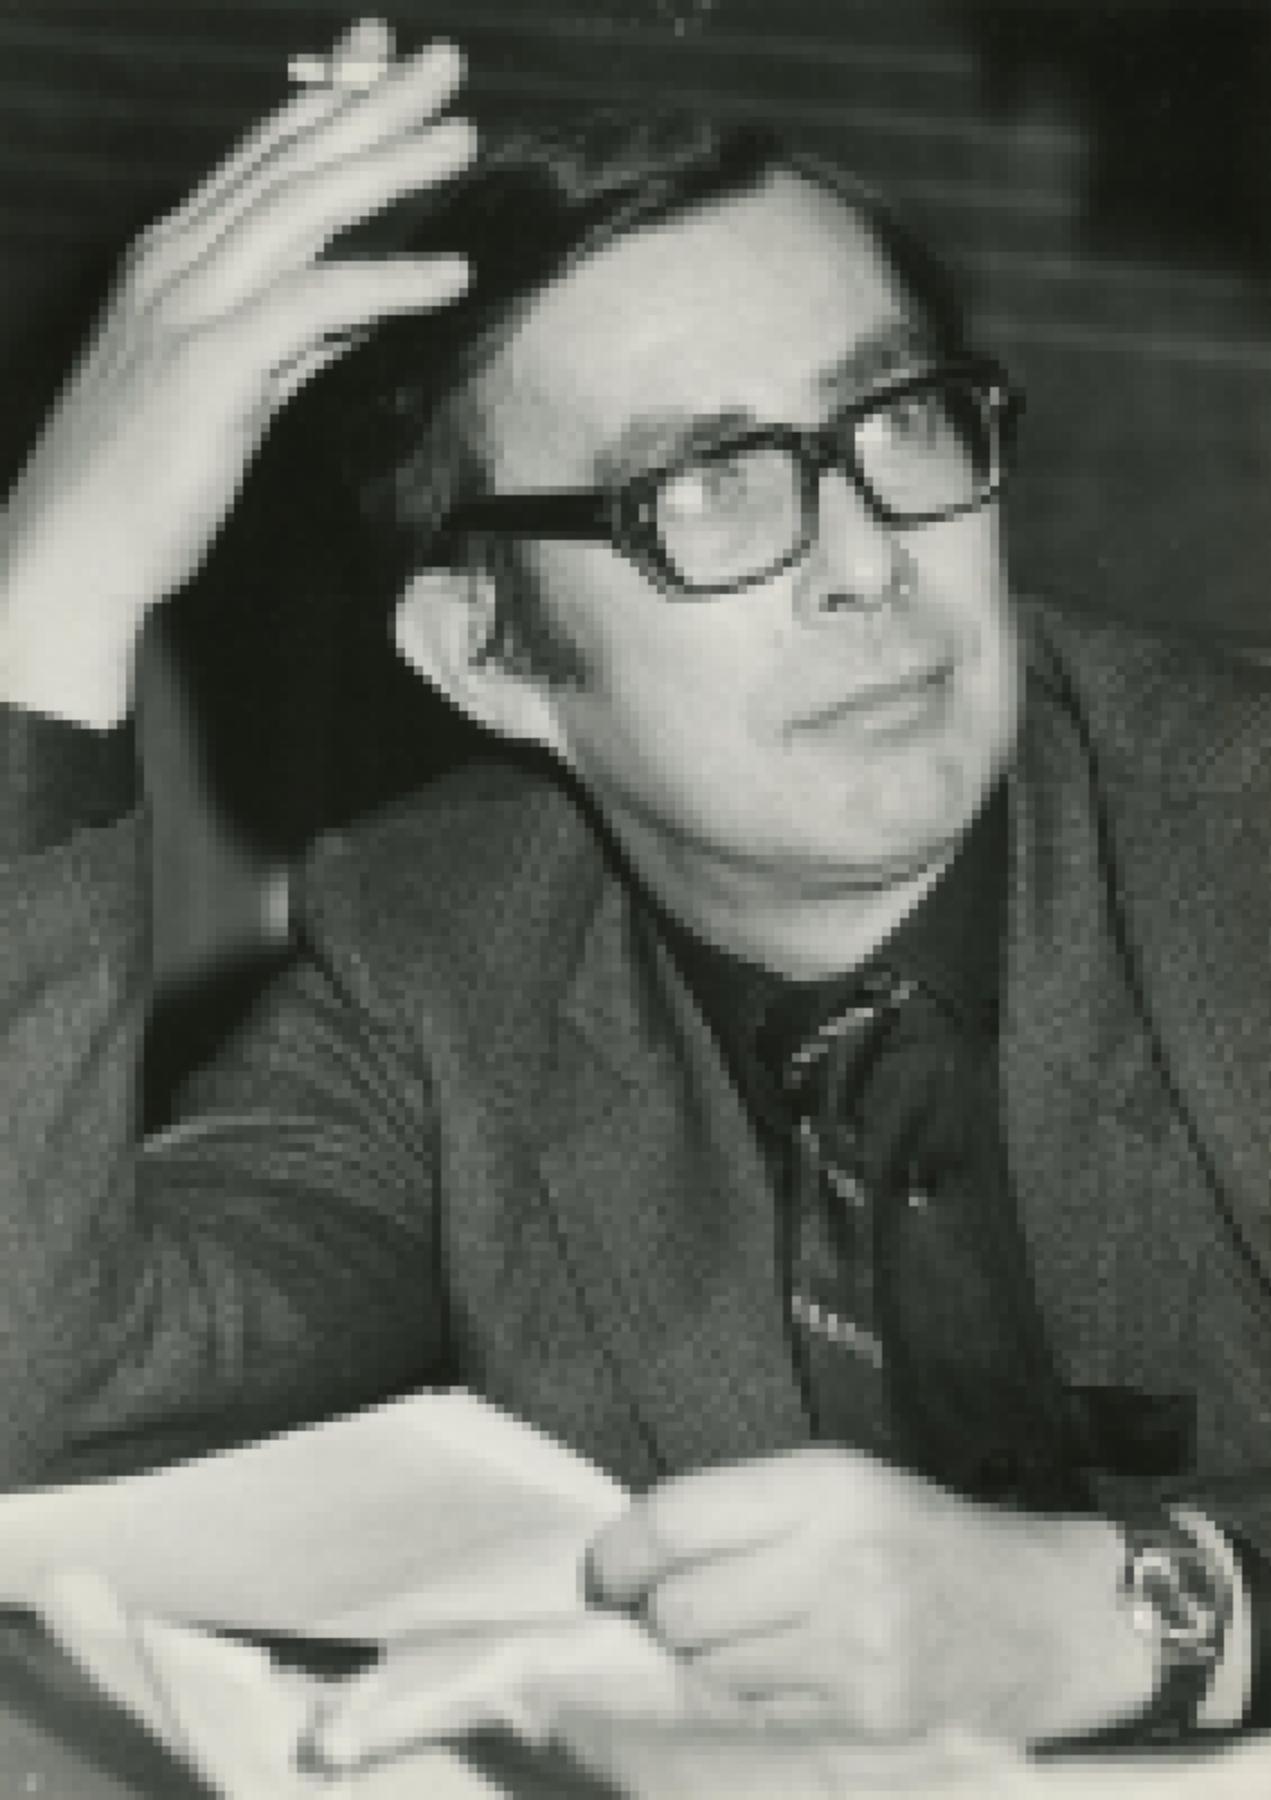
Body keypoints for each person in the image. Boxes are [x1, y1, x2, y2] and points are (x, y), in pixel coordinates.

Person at [3, 14, 1271, 1775]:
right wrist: (48, 607)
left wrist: (1142, 1612)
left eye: (899, 422)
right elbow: (41, 1397)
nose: (865, 561)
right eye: (706, 488)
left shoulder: (1232, 831)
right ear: (489, 653)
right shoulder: (444, 955)